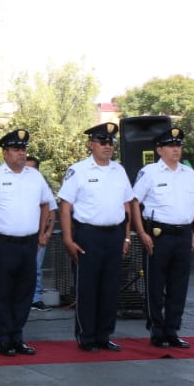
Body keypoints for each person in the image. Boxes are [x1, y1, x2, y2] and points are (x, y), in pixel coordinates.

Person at [0, 129, 54, 356]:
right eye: (16, 149)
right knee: (3, 292)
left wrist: (42, 233)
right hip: (3, 243)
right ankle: (3, 338)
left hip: (29, 243)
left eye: (23, 149)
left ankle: (17, 337)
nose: (21, 153)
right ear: (5, 153)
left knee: (25, 292)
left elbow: (47, 204)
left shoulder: (35, 176)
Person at [58, 122, 133, 352]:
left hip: (115, 235)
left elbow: (127, 205)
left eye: (110, 142)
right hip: (88, 236)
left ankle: (104, 335)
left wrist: (127, 237)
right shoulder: (78, 170)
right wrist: (68, 239)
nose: (107, 146)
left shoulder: (119, 170)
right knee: (88, 288)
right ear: (91, 144)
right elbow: (65, 206)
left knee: (110, 288)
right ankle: (86, 336)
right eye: (102, 142)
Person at [131, 128, 194, 349]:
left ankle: (172, 330)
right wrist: (141, 232)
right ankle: (157, 330)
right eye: (171, 146)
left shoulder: (188, 173)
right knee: (155, 285)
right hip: (158, 235)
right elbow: (135, 202)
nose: (176, 150)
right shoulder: (149, 172)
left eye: (178, 145)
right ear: (159, 149)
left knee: (178, 285)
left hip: (184, 235)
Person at [25, 156, 57, 311]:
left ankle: (35, 300)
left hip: (39, 236)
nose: (28, 171)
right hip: (20, 236)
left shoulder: (43, 186)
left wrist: (47, 234)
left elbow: (52, 212)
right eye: (26, 168)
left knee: (36, 269)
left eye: (32, 168)